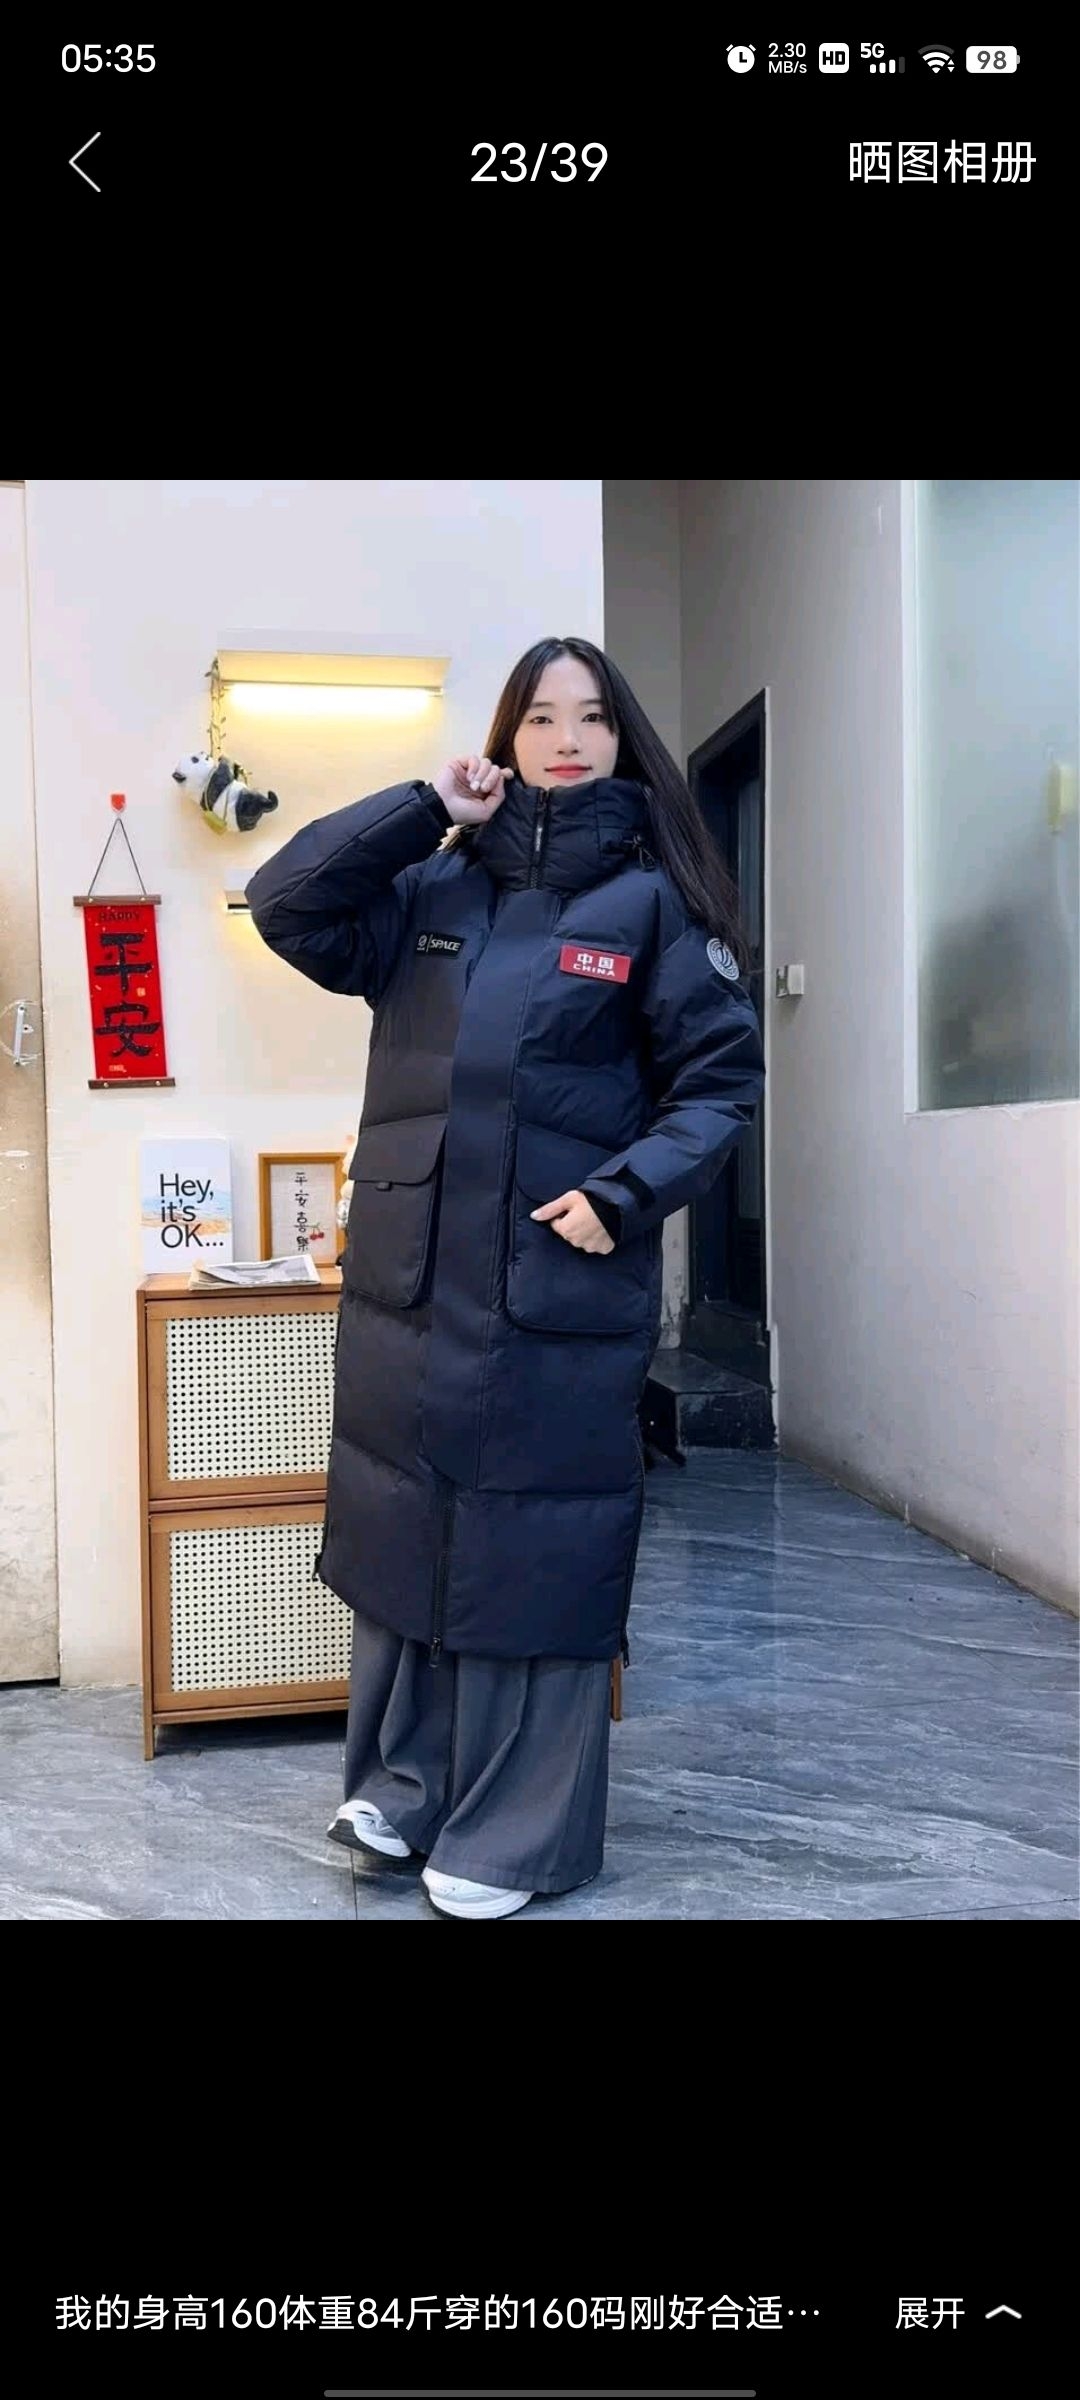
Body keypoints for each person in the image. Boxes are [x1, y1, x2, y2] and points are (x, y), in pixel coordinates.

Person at [244, 636, 765, 1919]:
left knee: (535, 1543)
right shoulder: (432, 887)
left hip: (554, 1286)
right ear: (505, 738)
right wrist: (424, 808)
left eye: (590, 717)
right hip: (412, 1286)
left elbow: (719, 1087)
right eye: (539, 718)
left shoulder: (651, 906)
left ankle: (518, 1832)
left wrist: (622, 1195)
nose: (565, 740)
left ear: (621, 739)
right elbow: (286, 901)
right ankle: (404, 1787)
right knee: (404, 1523)